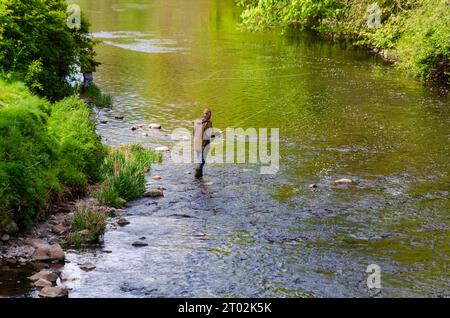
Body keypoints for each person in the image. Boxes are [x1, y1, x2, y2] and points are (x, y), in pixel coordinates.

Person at [193, 108, 213, 178]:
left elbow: (193, 132)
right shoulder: (208, 123)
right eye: (207, 113)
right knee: (202, 161)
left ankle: (199, 176)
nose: (206, 115)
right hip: (203, 145)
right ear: (210, 114)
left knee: (199, 159)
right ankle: (197, 172)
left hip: (196, 144)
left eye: (206, 114)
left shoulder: (196, 121)